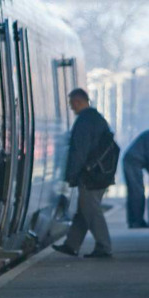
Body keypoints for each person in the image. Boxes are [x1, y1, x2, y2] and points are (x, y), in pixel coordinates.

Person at [53, 88, 114, 259]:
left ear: (79, 102)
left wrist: (71, 175)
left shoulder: (84, 121)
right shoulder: (97, 119)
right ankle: (72, 245)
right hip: (100, 173)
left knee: (91, 210)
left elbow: (79, 151)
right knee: (84, 209)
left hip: (91, 176)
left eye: (73, 105)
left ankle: (104, 246)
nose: (72, 109)